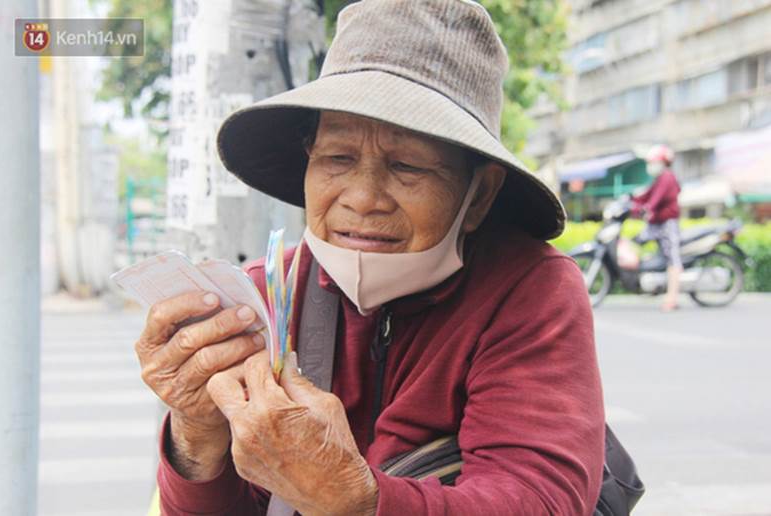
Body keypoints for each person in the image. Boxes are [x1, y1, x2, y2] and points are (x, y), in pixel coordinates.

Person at [134, 1, 605, 514]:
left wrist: (351, 496)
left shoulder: (529, 290)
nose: (362, 198)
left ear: (481, 195)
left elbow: (540, 498)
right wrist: (195, 436)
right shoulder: (266, 297)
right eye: (337, 157)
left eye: (407, 165)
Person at [632, 144, 683, 311]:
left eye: (652, 162)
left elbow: (655, 200)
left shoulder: (667, 177)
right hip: (656, 223)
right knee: (635, 241)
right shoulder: (660, 178)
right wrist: (630, 201)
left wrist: (647, 209)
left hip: (667, 225)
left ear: (662, 162)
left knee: (672, 258)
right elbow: (646, 196)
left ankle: (672, 298)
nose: (650, 166)